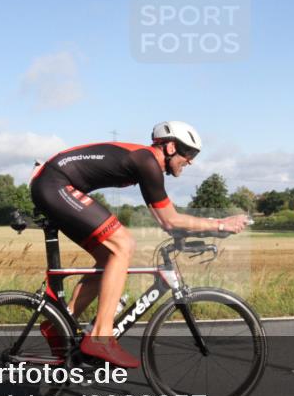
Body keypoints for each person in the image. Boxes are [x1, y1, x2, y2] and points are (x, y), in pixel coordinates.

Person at [29, 121, 249, 368]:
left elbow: (165, 219)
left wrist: (207, 229)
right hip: (54, 183)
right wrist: (221, 224)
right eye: (188, 153)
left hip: (53, 183)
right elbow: (170, 220)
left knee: (109, 256)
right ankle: (101, 336)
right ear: (169, 147)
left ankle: (60, 323)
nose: (191, 161)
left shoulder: (144, 161)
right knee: (124, 244)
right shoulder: (147, 162)